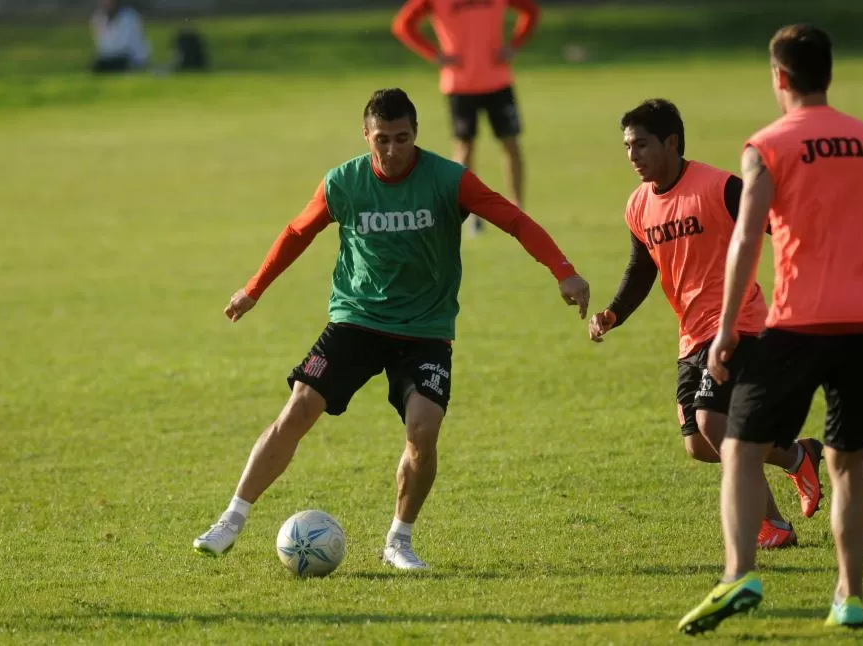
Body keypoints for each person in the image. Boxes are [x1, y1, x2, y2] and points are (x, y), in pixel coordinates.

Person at [193, 88, 590, 570]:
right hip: (356, 319)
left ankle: (398, 541)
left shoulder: (449, 180)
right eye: (382, 139)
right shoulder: (344, 182)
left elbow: (514, 220)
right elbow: (298, 232)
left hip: (425, 328)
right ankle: (230, 521)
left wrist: (563, 271)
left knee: (423, 430)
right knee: (298, 407)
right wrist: (254, 289)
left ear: (416, 134)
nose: (393, 149)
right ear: (366, 135)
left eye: (402, 138)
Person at [678, 24, 863, 634]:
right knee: (848, 461)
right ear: (828, 75)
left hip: (798, 322)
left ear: (780, 78)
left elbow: (747, 235)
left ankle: (740, 576)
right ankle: (850, 596)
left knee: (738, 447)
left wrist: (727, 327)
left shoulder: (769, 144)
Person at [590, 99, 823, 550]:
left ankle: (772, 525)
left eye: (641, 145)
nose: (632, 156)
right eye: (626, 147)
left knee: (713, 422)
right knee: (698, 444)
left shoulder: (719, 187)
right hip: (691, 334)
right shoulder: (638, 206)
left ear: (671, 142)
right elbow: (642, 269)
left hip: (739, 323)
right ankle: (797, 454)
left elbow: (779, 224)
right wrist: (613, 313)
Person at [391, 0, 539, 234]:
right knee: (465, 149)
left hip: (498, 80)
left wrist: (514, 44)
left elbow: (530, 11)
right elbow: (403, 25)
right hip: (459, 84)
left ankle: (517, 211)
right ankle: (470, 214)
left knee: (511, 144)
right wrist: (434, 54)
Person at [90, 0, 150, 74]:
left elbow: (124, 45)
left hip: (131, 58)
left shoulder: (129, 16)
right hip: (111, 58)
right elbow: (101, 45)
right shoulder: (98, 18)